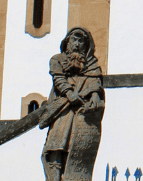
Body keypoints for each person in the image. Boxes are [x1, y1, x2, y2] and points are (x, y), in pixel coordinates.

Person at [41, 27, 105, 181]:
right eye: (74, 40)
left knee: (75, 148)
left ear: (86, 45)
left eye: (80, 41)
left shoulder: (91, 64)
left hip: (81, 113)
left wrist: (95, 96)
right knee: (56, 145)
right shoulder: (57, 59)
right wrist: (70, 94)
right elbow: (59, 79)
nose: (76, 44)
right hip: (62, 110)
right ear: (67, 42)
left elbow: (95, 82)